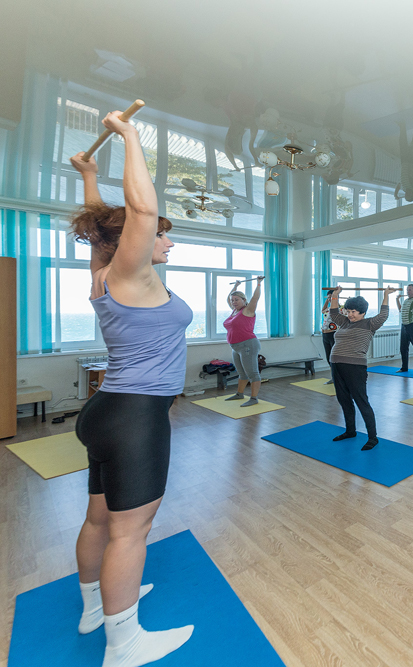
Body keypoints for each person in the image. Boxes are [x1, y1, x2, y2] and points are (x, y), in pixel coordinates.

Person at [69, 111, 194, 666]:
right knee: (129, 533)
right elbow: (138, 211)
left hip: (104, 413)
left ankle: (94, 608)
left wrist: (89, 176)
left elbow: (103, 229)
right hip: (136, 418)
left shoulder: (103, 277)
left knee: (100, 519)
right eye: (162, 233)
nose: (167, 239)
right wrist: (130, 137)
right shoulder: (131, 276)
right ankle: (124, 644)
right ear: (136, 242)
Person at [326, 287, 394, 450]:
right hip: (336, 365)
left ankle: (373, 437)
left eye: (354, 312)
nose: (350, 315)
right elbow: (334, 313)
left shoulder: (369, 324)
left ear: (362, 312)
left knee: (361, 401)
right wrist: (335, 296)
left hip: (355, 367)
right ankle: (350, 431)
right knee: (343, 400)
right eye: (348, 311)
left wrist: (385, 295)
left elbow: (383, 315)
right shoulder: (344, 322)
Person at [223, 277, 264, 406]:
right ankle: (239, 394)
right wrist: (235, 286)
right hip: (235, 347)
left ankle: (254, 398)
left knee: (252, 373)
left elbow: (255, 299)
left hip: (248, 344)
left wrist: (258, 284)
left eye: (237, 299)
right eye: (233, 300)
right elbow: (228, 298)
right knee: (241, 373)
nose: (233, 302)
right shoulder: (234, 311)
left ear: (244, 300)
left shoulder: (248, 310)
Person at [320, 290, 338, 384]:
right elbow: (323, 311)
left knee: (334, 358)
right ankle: (333, 377)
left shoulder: (337, 308)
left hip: (333, 334)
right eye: (328, 297)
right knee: (328, 358)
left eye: (331, 297)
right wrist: (327, 300)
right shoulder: (328, 308)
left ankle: (337, 378)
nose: (330, 299)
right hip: (325, 335)